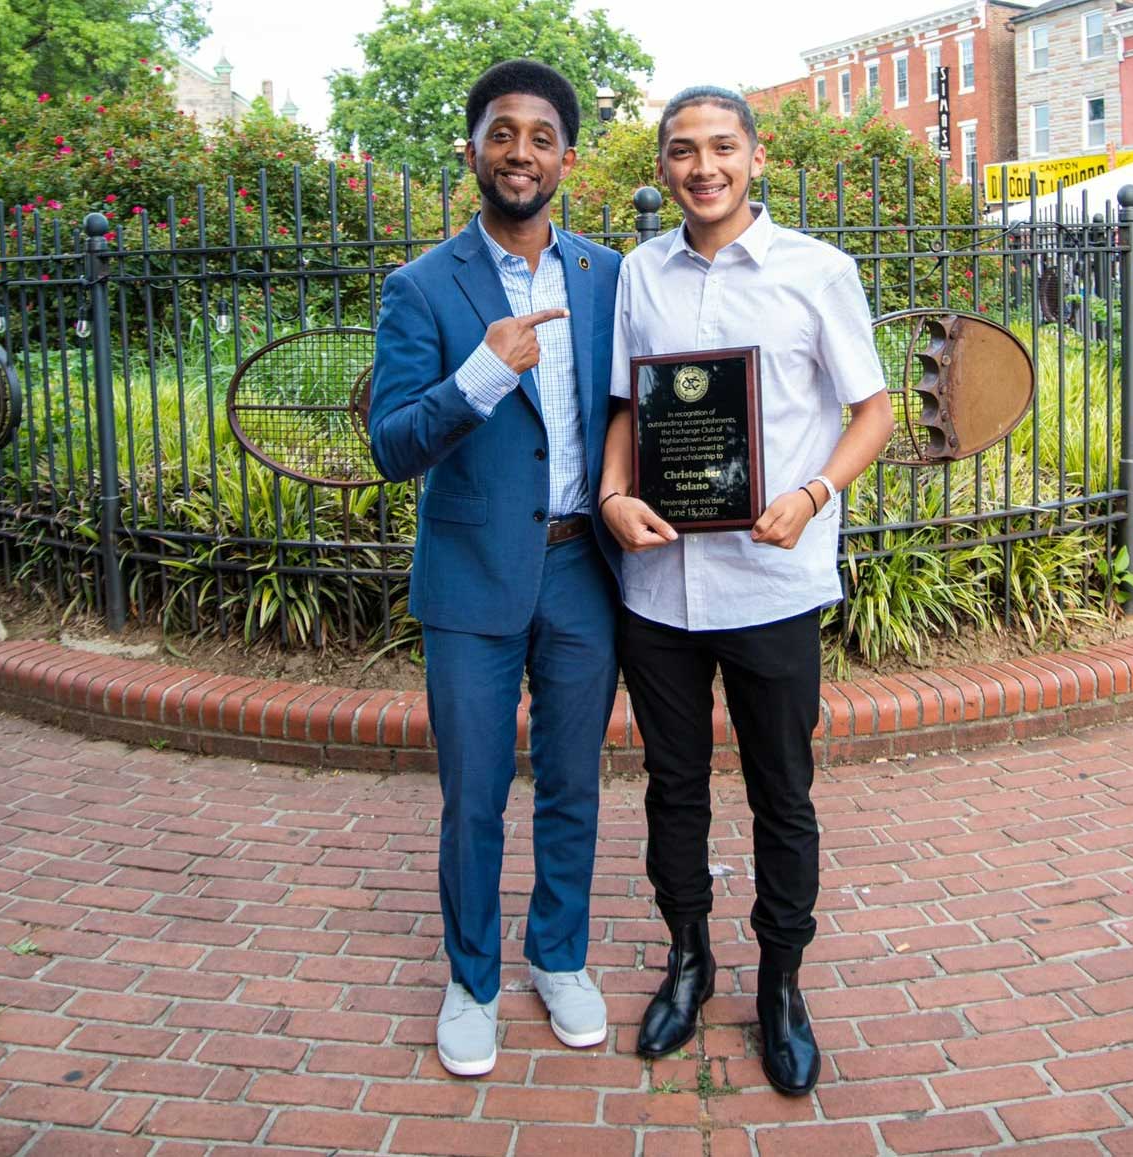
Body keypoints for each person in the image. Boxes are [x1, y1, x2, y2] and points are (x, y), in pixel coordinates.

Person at [598, 86, 893, 1095]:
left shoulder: (817, 271)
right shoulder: (639, 272)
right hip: (660, 588)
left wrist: (814, 493)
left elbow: (875, 409)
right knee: (672, 788)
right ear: (665, 165)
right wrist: (607, 491)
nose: (702, 166)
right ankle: (687, 956)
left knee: (781, 792)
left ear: (756, 158)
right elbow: (630, 407)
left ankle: (780, 982)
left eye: (722, 147)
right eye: (682, 150)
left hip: (772, 578)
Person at [368, 59, 622, 1078]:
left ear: (567, 156)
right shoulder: (423, 286)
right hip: (472, 573)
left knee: (573, 783)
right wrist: (480, 371)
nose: (522, 151)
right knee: (473, 792)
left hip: (581, 570)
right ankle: (471, 977)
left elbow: (630, 411)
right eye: (502, 133)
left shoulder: (607, 273)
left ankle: (557, 956)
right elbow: (391, 444)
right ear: (471, 149)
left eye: (542, 135)